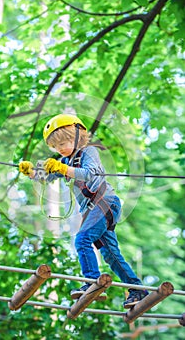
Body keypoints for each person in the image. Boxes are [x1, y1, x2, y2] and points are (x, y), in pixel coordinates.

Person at [19, 114, 148, 308]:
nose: (61, 148)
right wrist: (31, 172)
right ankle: (138, 290)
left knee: (82, 239)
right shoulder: (65, 160)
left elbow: (88, 173)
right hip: (93, 209)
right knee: (110, 254)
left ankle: (91, 282)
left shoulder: (89, 152)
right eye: (56, 146)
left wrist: (63, 169)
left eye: (64, 142)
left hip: (104, 202)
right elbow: (46, 177)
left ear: (79, 137)